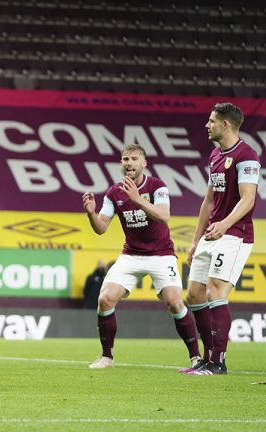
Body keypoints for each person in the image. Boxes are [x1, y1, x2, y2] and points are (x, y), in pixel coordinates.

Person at [82, 143, 200, 369]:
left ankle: (195, 357)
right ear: (121, 164)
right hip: (132, 254)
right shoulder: (113, 192)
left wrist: (137, 199)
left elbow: (164, 216)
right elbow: (101, 228)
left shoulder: (157, 186)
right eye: (125, 159)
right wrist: (91, 214)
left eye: (134, 159)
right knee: (104, 299)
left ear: (144, 163)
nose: (129, 163)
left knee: (175, 303)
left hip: (161, 254)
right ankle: (107, 357)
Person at [183, 103, 260, 376]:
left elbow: (249, 199)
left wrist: (225, 225)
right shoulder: (215, 155)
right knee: (194, 295)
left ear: (225, 125)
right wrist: (195, 240)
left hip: (235, 235)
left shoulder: (247, 156)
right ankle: (206, 358)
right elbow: (208, 200)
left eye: (211, 120)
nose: (207, 125)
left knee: (215, 290)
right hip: (211, 234)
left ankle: (218, 362)